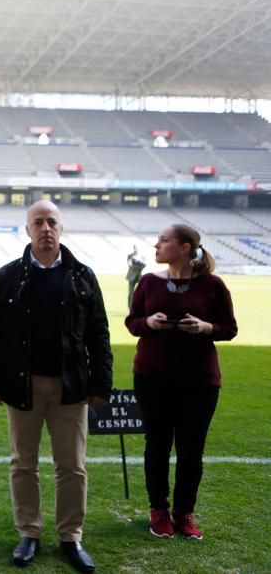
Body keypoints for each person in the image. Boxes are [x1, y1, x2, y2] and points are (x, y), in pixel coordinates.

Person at [0, 200, 112, 572]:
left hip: (72, 386)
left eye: (52, 221)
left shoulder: (83, 275)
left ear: (61, 228)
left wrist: (101, 383)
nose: (45, 228)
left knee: (72, 466)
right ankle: (29, 533)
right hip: (23, 386)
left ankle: (71, 536)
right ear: (27, 230)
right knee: (24, 463)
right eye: (38, 222)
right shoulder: (6, 276)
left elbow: (99, 334)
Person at [125, 225, 237, 540]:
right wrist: (147, 322)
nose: (156, 244)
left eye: (164, 240)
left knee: (191, 450)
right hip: (152, 377)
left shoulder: (213, 285)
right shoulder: (147, 282)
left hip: (199, 381)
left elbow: (229, 327)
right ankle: (158, 510)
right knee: (157, 445)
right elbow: (132, 322)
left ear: (185, 248)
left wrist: (204, 327)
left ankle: (184, 513)